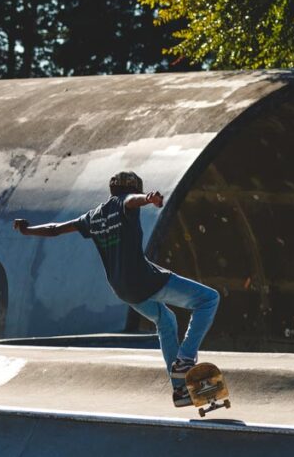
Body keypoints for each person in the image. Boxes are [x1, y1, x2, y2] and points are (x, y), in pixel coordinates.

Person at [13, 171, 219, 407]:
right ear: (134, 189)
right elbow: (131, 200)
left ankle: (181, 390)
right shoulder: (126, 203)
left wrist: (27, 230)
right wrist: (148, 198)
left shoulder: (94, 216)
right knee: (208, 299)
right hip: (143, 280)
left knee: (166, 321)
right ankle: (185, 359)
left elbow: (56, 228)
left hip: (122, 289)